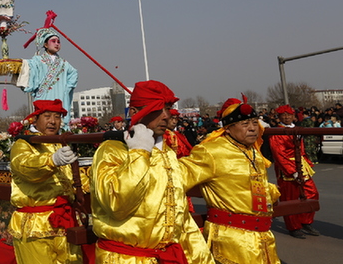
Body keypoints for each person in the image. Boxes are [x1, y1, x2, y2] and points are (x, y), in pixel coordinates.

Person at [91, 80, 213, 264]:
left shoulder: (167, 154)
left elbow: (180, 216)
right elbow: (117, 204)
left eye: (168, 109)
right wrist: (140, 152)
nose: (166, 116)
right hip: (125, 258)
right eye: (158, 109)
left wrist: (200, 257)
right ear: (133, 112)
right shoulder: (111, 150)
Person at [178, 95, 281, 264]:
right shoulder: (210, 151)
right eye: (245, 124)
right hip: (231, 239)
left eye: (255, 123)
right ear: (228, 129)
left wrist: (272, 193)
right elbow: (175, 179)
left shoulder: (253, 150)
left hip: (263, 238)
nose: (252, 128)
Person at [8, 99, 83, 264]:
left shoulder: (59, 142)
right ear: (35, 120)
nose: (53, 121)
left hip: (65, 219)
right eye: (47, 116)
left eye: (57, 117)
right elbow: (25, 166)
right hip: (36, 222)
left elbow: (71, 177)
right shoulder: (24, 144)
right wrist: (51, 160)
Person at [269, 105, 320, 239]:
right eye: (283, 115)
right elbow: (279, 154)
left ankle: (305, 220)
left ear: (293, 116)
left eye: (289, 115)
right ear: (279, 117)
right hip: (287, 168)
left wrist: (306, 163)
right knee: (289, 198)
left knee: (312, 193)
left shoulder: (297, 128)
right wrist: (292, 171)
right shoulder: (276, 133)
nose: (286, 117)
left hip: (301, 165)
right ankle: (293, 226)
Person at [17, 28, 78, 130]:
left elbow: (74, 73)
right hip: (43, 96)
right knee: (43, 118)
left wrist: (67, 88)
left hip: (60, 96)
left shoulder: (64, 63)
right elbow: (28, 66)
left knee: (59, 120)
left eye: (58, 42)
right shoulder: (38, 60)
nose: (57, 44)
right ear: (45, 45)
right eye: (53, 41)